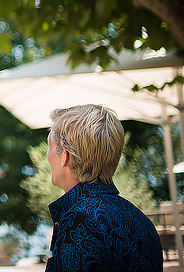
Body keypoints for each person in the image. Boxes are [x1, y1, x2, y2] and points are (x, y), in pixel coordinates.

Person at [45, 104, 161, 271]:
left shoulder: (79, 221)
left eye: (50, 147)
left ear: (65, 156)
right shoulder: (140, 220)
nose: (47, 155)